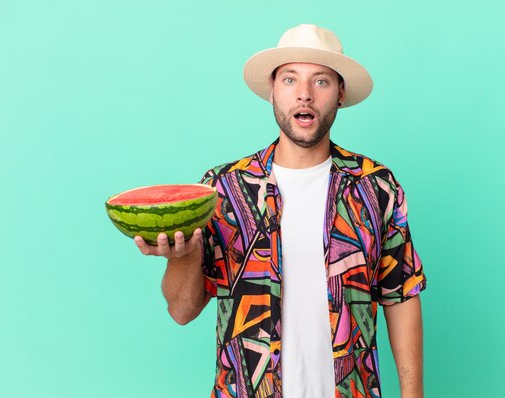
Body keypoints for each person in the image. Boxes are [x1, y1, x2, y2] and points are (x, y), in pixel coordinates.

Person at [135, 24, 427, 398]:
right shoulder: (222, 189)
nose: (304, 95)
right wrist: (184, 256)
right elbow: (181, 310)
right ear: (272, 90)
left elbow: (400, 294)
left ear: (340, 93)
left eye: (320, 81)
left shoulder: (375, 186)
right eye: (290, 80)